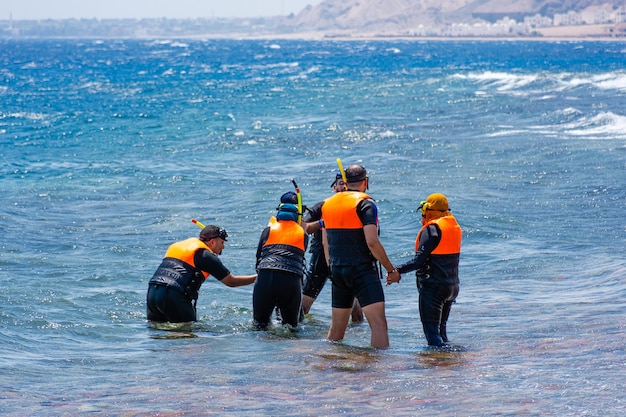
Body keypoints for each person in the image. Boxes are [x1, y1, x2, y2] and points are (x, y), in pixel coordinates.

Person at [320, 164, 400, 349]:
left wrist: (332, 269)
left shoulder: (328, 204)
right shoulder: (365, 203)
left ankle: (327, 368)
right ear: (366, 182)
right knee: (379, 326)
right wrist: (391, 269)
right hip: (361, 270)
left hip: (338, 270)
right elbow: (372, 241)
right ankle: (379, 372)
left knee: (336, 331)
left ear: (345, 183)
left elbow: (326, 243)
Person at [388, 193, 462, 347]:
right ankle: (449, 363)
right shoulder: (454, 226)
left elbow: (418, 262)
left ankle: (438, 365)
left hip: (433, 288)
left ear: (428, 210)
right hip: (452, 287)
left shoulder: (432, 230)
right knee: (441, 331)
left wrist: (396, 271)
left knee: (432, 334)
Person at [147, 225, 257, 323]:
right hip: (174, 295)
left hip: (152, 293)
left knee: (159, 334)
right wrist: (258, 277)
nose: (223, 247)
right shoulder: (205, 255)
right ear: (212, 242)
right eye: (222, 243)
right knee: (188, 335)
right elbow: (231, 281)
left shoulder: (178, 246)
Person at [302, 173, 363, 323]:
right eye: (340, 183)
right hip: (321, 259)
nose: (343, 186)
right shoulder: (323, 205)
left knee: (355, 310)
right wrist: (322, 223)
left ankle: (357, 339)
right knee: (303, 306)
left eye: (345, 183)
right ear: (334, 187)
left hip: (347, 259)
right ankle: (295, 336)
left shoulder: (358, 206)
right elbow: (303, 227)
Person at [253, 196, 309, 330]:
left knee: (259, 326)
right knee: (291, 328)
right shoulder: (303, 234)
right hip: (290, 280)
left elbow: (258, 257)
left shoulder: (268, 230)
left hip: (265, 277)